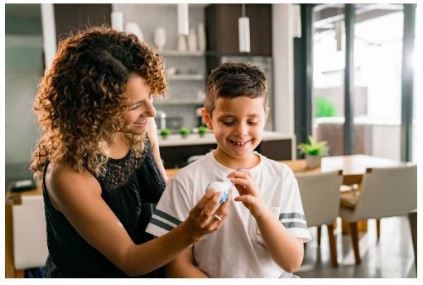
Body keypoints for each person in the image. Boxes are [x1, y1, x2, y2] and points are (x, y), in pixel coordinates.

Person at [30, 26, 229, 277]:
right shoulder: (69, 174)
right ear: (96, 109)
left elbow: (162, 198)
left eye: (150, 97)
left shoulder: (140, 130)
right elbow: (129, 259)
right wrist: (191, 230)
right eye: (136, 105)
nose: (151, 112)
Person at [146, 62, 312, 277]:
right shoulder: (185, 182)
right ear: (208, 119)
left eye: (252, 121)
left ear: (265, 117)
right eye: (228, 121)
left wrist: (261, 211)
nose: (241, 132)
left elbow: (292, 263)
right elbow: (178, 267)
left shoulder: (282, 177)